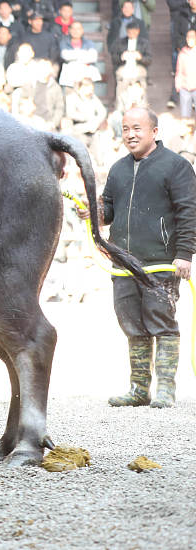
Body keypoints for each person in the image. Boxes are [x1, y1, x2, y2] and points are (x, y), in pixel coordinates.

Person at [77, 108, 196, 409]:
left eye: (137, 128)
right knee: (131, 324)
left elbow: (188, 213)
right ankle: (139, 389)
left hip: (161, 262)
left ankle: (166, 390)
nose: (130, 134)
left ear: (154, 131)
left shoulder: (177, 167)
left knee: (162, 323)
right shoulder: (117, 169)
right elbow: (110, 210)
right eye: (126, 128)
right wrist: (93, 213)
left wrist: (184, 254)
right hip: (123, 264)